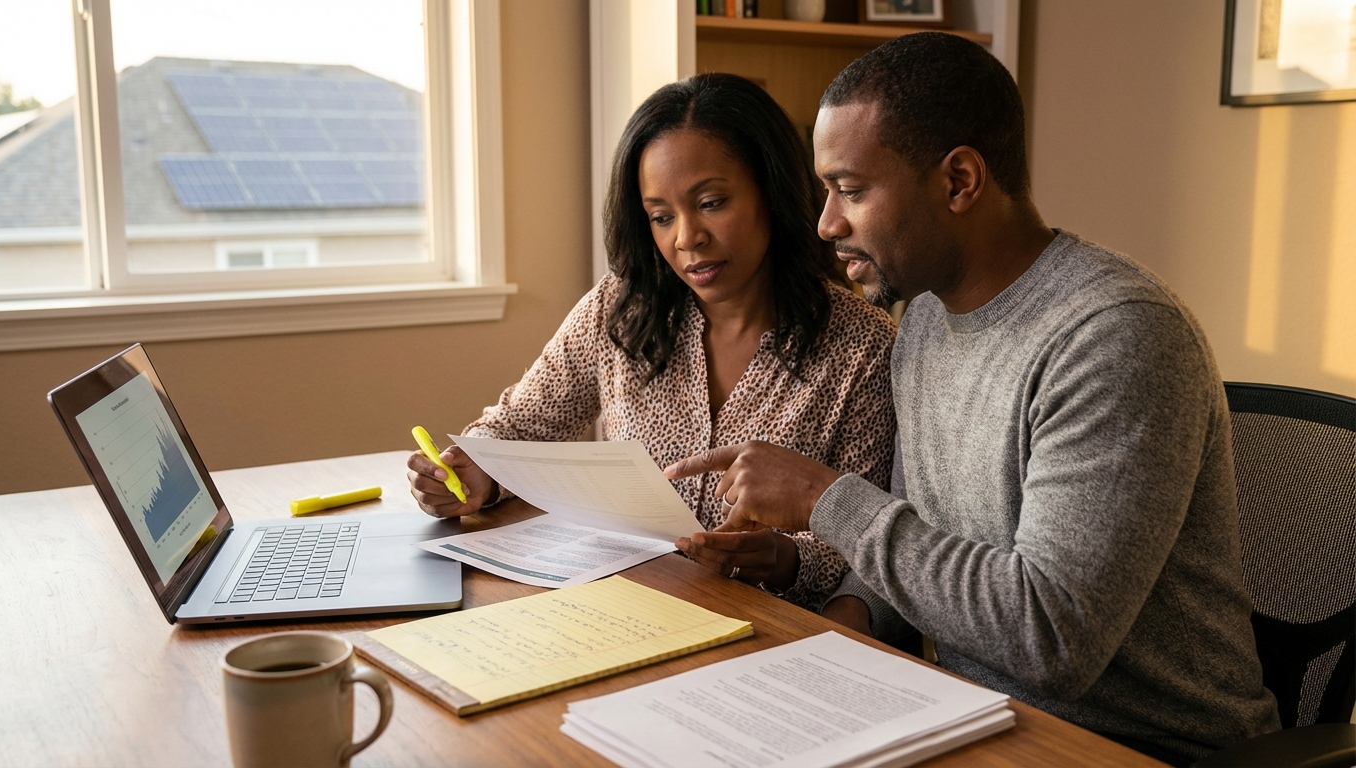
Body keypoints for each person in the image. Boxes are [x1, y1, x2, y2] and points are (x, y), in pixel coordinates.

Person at [664, 34, 1280, 765]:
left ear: (959, 180)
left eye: (851, 190)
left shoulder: (1116, 337)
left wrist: (827, 499)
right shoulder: (922, 317)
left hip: (1134, 746)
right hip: (972, 717)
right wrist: (826, 638)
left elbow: (1050, 638)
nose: (826, 223)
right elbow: (908, 551)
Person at [408, 73, 898, 612]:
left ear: (772, 191)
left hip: (765, 634)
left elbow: (868, 548)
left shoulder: (866, 346)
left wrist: (786, 558)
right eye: (661, 217)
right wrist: (474, 475)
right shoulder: (621, 309)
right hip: (621, 613)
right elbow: (517, 427)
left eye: (711, 202)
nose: (686, 237)